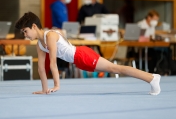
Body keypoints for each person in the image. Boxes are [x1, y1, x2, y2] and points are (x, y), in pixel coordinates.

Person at [15, 12, 161, 96]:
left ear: (34, 26)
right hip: (79, 61)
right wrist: (44, 89)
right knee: (114, 68)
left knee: (116, 68)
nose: (25, 35)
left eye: (26, 31)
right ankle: (152, 78)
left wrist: (57, 85)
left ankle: (151, 78)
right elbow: (41, 68)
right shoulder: (40, 44)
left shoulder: (50, 36)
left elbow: (53, 62)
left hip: (82, 55)